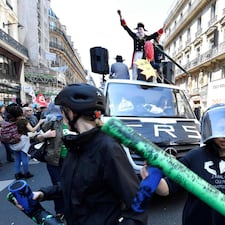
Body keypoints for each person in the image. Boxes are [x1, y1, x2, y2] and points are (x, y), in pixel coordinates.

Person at [25, 83, 147, 225]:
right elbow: (74, 185)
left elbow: (137, 206)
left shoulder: (108, 148)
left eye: (62, 112)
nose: (62, 117)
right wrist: (44, 193)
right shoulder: (76, 144)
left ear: (71, 113)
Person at [143, 104, 225, 225]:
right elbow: (166, 189)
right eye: (220, 129)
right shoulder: (194, 157)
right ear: (210, 130)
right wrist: (151, 176)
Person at [5, 104, 46, 179]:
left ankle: (17, 174)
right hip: (23, 141)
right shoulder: (23, 121)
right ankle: (26, 173)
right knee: (24, 156)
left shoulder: (9, 121)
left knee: (17, 158)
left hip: (13, 141)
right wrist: (39, 123)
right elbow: (33, 130)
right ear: (20, 112)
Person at [120, 15, 163, 81]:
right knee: (135, 68)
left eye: (141, 29)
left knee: (143, 69)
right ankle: (134, 80)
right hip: (136, 55)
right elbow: (127, 29)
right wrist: (121, 17)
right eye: (138, 29)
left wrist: (162, 29)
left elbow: (154, 35)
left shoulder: (146, 38)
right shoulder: (135, 36)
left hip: (144, 56)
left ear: (143, 30)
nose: (139, 30)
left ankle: (143, 80)